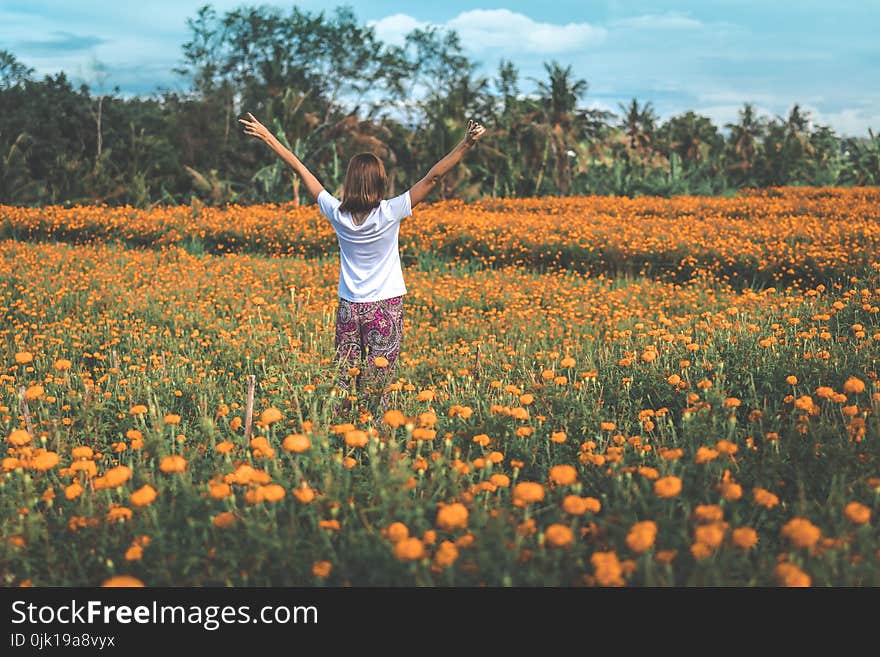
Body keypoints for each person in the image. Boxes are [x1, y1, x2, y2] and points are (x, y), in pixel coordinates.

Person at [240, 112, 486, 417]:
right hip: (384, 309)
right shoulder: (389, 212)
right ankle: (375, 440)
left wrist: (267, 135)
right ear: (380, 181)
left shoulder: (336, 213)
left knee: (345, 384)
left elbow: (299, 168)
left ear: (349, 182)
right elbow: (433, 177)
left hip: (348, 309)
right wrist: (466, 144)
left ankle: (344, 438)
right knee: (378, 387)